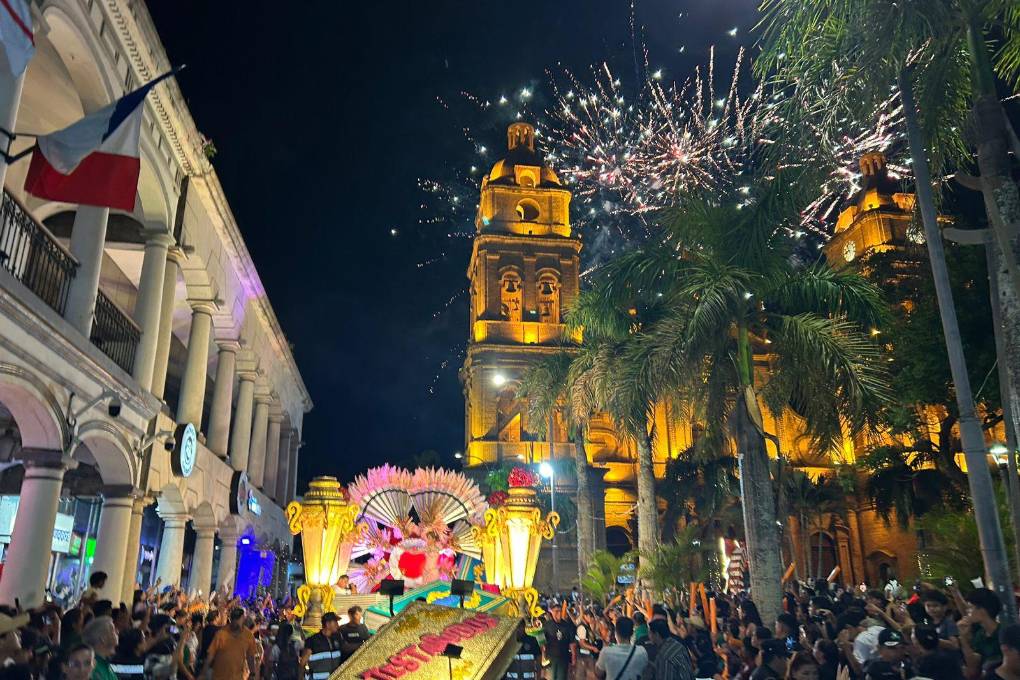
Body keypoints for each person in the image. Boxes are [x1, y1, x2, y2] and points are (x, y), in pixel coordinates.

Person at [202, 607, 259, 680]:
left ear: (243, 619)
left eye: (238, 619)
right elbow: (210, 655)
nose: (235, 622)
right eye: (234, 619)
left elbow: (250, 656)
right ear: (231, 619)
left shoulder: (248, 635)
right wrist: (203, 674)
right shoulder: (221, 634)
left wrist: (252, 674)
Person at [961, 588, 1003, 678]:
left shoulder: (1004, 633)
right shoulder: (980, 635)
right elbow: (973, 668)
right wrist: (963, 638)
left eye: (970, 608)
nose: (967, 612)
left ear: (982, 610)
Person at [300, 612, 342, 678]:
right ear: (328, 624)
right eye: (335, 622)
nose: (337, 625)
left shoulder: (337, 638)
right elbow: (302, 663)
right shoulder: (313, 640)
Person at [81, 616, 118, 680]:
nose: (117, 632)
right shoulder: (92, 668)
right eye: (113, 630)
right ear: (103, 639)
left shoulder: (104, 663)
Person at [543, 606, 576, 680]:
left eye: (560, 611)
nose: (559, 613)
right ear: (552, 612)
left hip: (563, 658)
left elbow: (572, 642)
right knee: (551, 677)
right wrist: (543, 656)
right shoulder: (547, 625)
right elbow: (543, 642)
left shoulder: (567, 626)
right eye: (556, 611)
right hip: (551, 658)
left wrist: (573, 657)